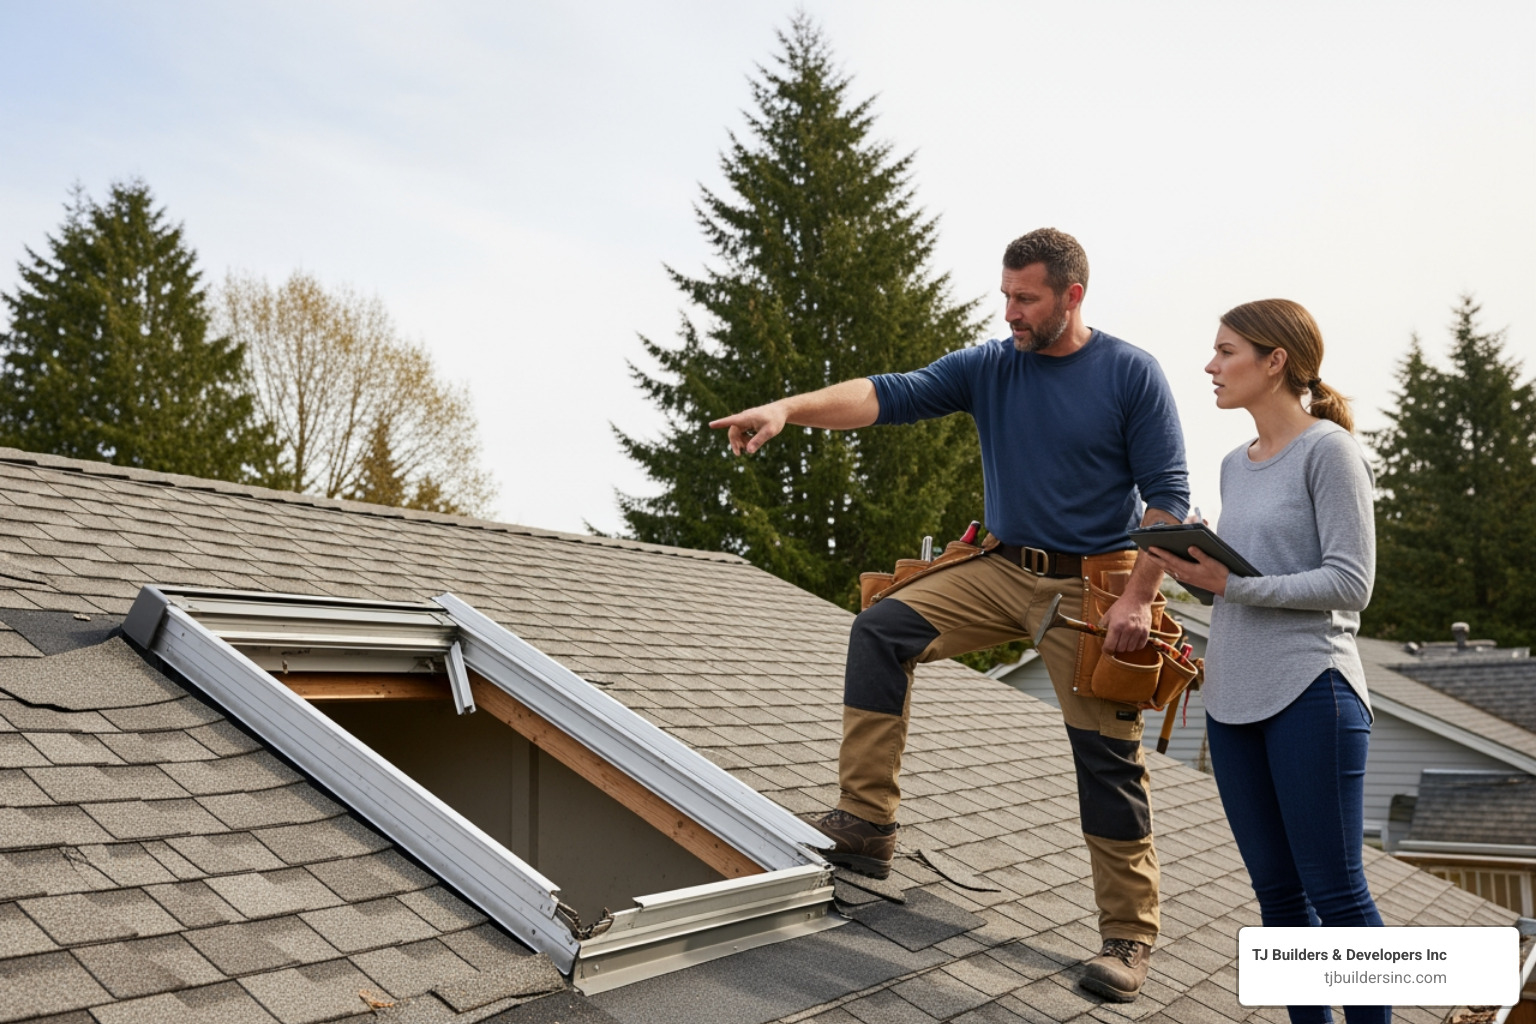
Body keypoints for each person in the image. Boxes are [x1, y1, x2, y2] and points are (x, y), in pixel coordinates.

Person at [710, 228, 1189, 1004]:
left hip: (1092, 585)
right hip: (1001, 564)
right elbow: (884, 394)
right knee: (881, 629)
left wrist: (1139, 599)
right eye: (1005, 295)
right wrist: (788, 409)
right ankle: (867, 824)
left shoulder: (1130, 374)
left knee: (1106, 754)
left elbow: (1168, 497)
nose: (1011, 313)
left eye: (1026, 298)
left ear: (1072, 295)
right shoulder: (991, 366)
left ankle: (1128, 934)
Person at [1143, 299, 1386, 1024]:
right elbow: (1242, 584)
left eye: (1226, 351)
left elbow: (1352, 583)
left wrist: (1235, 582)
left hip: (1313, 691)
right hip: (1233, 702)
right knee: (1279, 900)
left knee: (1338, 894)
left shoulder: (1329, 451)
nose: (1211, 366)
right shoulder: (1232, 465)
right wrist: (1197, 567)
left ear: (1274, 360)